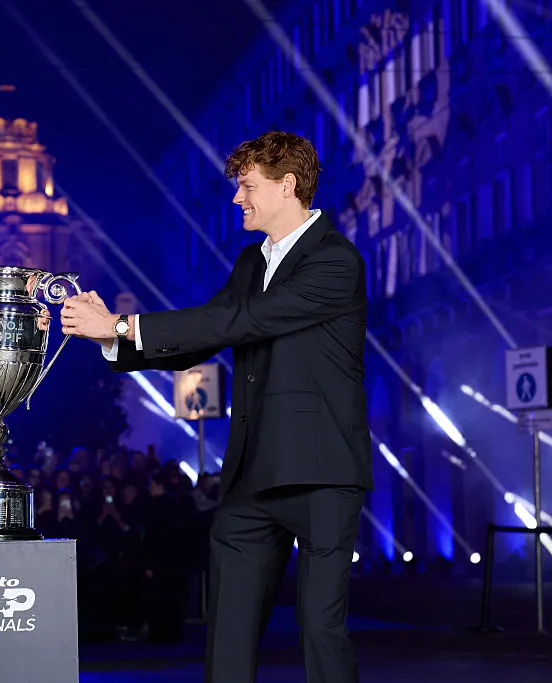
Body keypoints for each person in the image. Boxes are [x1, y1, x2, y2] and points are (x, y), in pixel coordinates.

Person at [61, 131, 370, 683]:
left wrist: (123, 325)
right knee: (227, 628)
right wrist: (112, 339)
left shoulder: (335, 260)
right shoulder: (253, 261)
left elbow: (242, 321)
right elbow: (204, 336)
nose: (236, 199)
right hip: (252, 472)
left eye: (247, 187)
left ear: (287, 184)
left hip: (321, 472)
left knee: (320, 629)